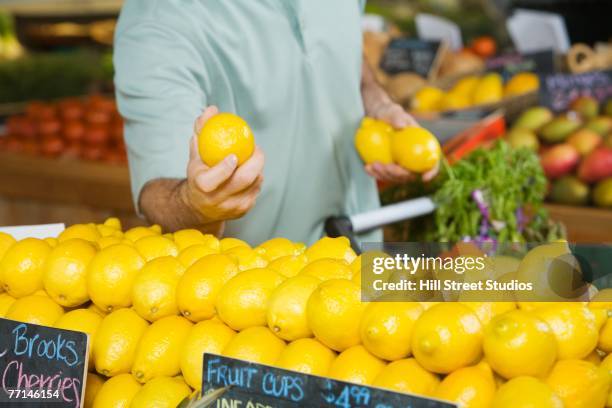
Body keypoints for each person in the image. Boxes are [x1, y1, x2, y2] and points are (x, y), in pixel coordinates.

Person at [114, 0, 436, 246]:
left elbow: (342, 42)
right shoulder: (159, 19)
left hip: (364, 248)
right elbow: (158, 192)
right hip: (263, 302)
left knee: (480, 289)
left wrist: (376, 101)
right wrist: (197, 205)